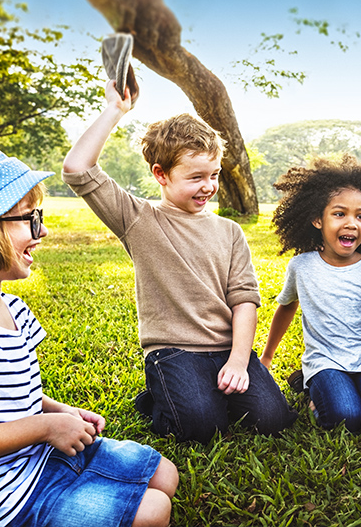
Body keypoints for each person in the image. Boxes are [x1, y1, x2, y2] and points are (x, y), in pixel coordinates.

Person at [0, 140, 178, 527]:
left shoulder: (13, 307)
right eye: (28, 220)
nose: (43, 231)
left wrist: (59, 412)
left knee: (166, 476)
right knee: (153, 510)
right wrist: (45, 427)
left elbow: (9, 394)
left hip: (34, 457)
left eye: (40, 216)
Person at [62, 82, 297, 444]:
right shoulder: (138, 218)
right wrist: (116, 110)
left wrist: (238, 361)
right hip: (173, 352)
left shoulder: (230, 231)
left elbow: (244, 301)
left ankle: (207, 393)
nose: (208, 186)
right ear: (161, 174)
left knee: (273, 419)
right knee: (200, 428)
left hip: (226, 348)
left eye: (214, 174)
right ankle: (158, 397)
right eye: (196, 177)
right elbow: (77, 169)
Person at [259, 156, 361, 432]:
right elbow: (287, 306)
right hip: (325, 360)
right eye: (340, 214)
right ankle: (314, 392)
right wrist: (267, 357)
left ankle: (320, 388)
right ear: (317, 219)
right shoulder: (301, 266)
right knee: (345, 416)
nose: (352, 223)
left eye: (360, 216)